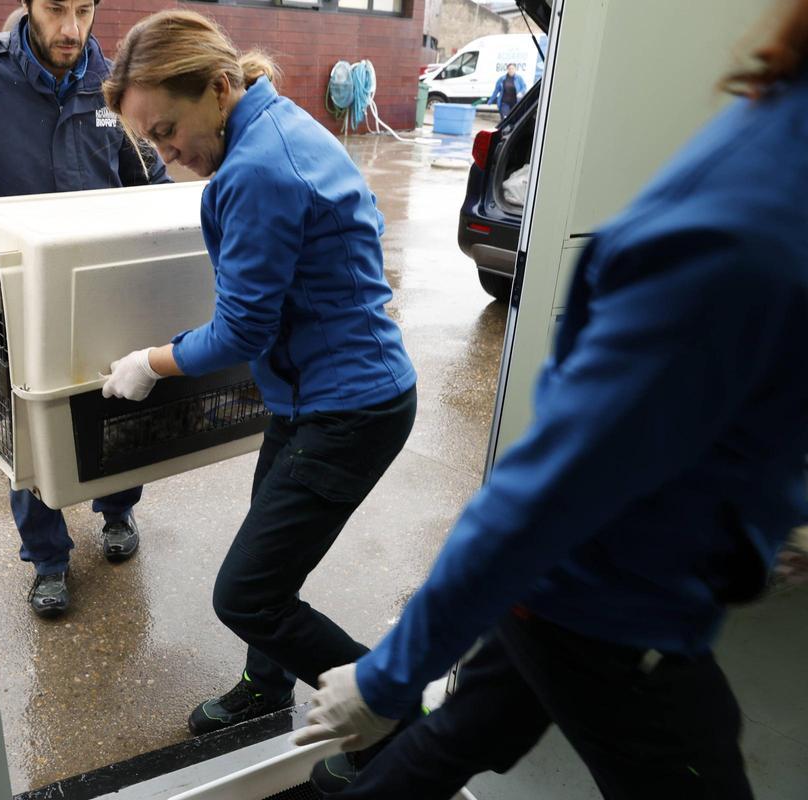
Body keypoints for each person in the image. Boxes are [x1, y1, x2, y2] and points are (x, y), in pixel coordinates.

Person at [292, 2, 808, 798]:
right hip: (615, 605)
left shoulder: (778, 134)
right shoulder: (752, 235)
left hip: (574, 583)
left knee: (465, 731)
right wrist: (389, 679)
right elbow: (544, 490)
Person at [98, 10, 418, 736]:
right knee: (270, 563)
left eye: (164, 130)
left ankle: (397, 718)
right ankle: (264, 685)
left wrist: (150, 362)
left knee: (246, 594)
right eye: (151, 139)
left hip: (347, 413)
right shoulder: (272, 122)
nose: (167, 152)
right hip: (322, 397)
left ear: (218, 88)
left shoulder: (259, 169)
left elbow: (243, 328)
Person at [0, 0, 170, 619]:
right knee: (30, 428)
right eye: (56, 9)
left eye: (84, 10)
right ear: (28, 7)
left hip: (103, 291)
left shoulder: (111, 88)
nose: (71, 29)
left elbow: (150, 180)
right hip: (8, 300)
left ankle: (118, 511)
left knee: (120, 403)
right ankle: (48, 558)